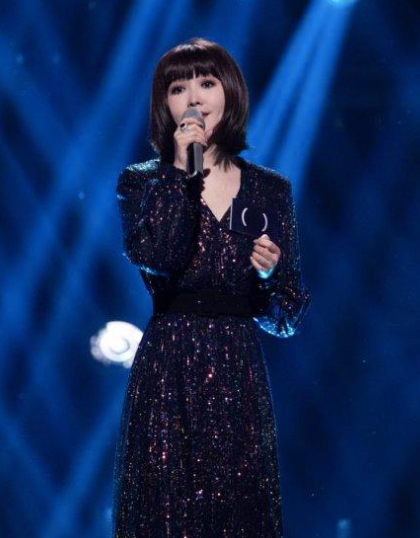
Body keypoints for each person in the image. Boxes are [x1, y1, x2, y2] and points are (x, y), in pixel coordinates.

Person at [112, 37, 311, 538]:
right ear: (164, 104)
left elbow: (287, 316)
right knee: (167, 511)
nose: (194, 99)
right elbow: (159, 256)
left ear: (230, 93)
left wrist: (268, 275)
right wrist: (183, 173)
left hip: (237, 366)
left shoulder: (270, 189)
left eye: (206, 83)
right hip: (170, 363)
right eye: (178, 88)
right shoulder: (142, 182)